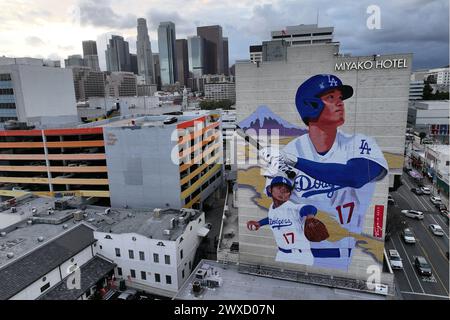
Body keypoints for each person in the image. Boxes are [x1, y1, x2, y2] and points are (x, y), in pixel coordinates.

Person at [263, 74, 389, 270]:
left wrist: (295, 163)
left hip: (341, 255)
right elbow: (276, 199)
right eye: (331, 97)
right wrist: (274, 173)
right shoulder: (289, 151)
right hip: (293, 255)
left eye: (340, 98)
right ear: (310, 105)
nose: (340, 103)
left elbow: (354, 176)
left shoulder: (361, 143)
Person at [247, 176, 319, 265]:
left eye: (286, 190)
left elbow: (309, 208)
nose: (283, 191)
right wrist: (259, 223)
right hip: (281, 253)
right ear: (270, 189)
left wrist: (310, 216)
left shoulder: (291, 207)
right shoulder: (272, 207)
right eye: (279, 187)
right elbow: (272, 218)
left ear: (290, 194)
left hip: (301, 255)